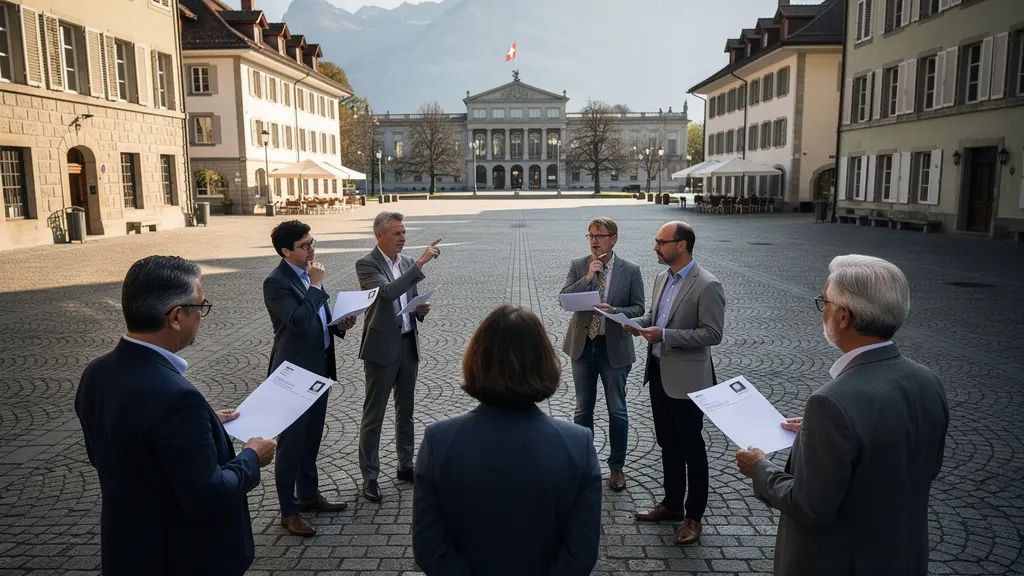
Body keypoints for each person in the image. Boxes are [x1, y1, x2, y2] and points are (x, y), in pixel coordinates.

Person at [736, 255, 949, 576]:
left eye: (824, 302)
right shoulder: (927, 380)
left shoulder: (831, 402)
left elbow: (809, 507)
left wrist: (759, 467)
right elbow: (920, 466)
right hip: (902, 557)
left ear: (844, 316)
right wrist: (823, 434)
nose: (822, 310)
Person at [75, 255, 277, 576]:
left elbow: (115, 450)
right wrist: (252, 456)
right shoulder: (176, 397)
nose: (201, 316)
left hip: (127, 548)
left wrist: (204, 423)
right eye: (200, 307)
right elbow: (208, 494)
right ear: (176, 317)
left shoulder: (97, 372)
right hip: (180, 556)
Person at [413, 305, 601, 575]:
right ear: (544, 362)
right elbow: (580, 553)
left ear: (477, 359)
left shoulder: (439, 441)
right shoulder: (577, 445)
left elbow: (429, 547)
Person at [624, 221, 725, 546]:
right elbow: (656, 318)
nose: (655, 247)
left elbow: (712, 334)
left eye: (661, 242)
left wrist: (665, 335)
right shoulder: (661, 278)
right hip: (658, 374)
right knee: (667, 443)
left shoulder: (707, 284)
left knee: (692, 448)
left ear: (681, 245)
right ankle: (671, 504)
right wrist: (632, 322)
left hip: (688, 381)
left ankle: (693, 517)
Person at [264, 220, 357, 536]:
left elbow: (319, 318)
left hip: (319, 367)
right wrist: (316, 287)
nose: (311, 249)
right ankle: (289, 512)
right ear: (285, 251)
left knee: (312, 437)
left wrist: (339, 324)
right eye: (304, 245)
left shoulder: (309, 274)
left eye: (312, 242)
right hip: (293, 373)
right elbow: (298, 322)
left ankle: (308, 495)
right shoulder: (276, 283)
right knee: (291, 444)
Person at [356, 211, 442, 502]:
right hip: (381, 347)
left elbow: (407, 297)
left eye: (404, 233)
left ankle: (405, 465)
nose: (403, 238)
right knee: (374, 415)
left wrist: (420, 310)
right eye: (397, 233)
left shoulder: (405, 261)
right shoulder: (367, 264)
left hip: (407, 343)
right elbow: (388, 293)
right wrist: (421, 263)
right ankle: (370, 476)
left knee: (406, 411)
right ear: (380, 235)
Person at [560, 217, 644, 491]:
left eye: (600, 235)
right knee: (582, 409)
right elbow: (564, 298)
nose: (594, 240)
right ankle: (584, 463)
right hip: (583, 346)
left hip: (614, 348)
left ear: (613, 239)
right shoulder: (578, 265)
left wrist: (616, 311)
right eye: (591, 235)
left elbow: (639, 308)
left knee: (617, 410)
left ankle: (617, 466)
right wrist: (587, 278)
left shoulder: (630, 270)